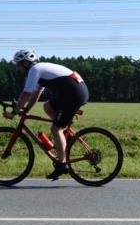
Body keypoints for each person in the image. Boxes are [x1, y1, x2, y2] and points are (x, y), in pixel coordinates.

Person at [5, 49, 89, 180]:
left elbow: (26, 93)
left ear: (25, 63)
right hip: (74, 91)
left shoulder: (34, 70)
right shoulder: (40, 70)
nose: (18, 68)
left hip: (73, 94)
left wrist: (14, 112)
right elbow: (35, 95)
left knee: (56, 129)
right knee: (47, 106)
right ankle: (63, 136)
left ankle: (62, 164)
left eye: (18, 64)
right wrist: (26, 110)